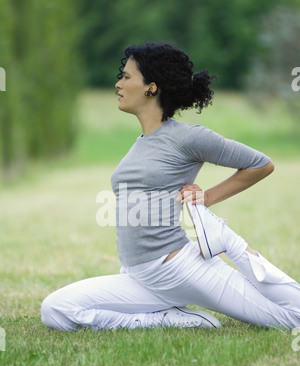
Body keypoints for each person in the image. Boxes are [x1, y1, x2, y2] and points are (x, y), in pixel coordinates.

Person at [41, 42, 300, 331]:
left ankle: (227, 241)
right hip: (138, 276)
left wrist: (206, 198)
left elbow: (260, 164)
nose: (118, 84)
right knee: (56, 310)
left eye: (126, 77)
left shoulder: (187, 138)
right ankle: (169, 320)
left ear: (151, 87)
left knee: (291, 319)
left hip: (180, 269)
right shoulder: (141, 143)